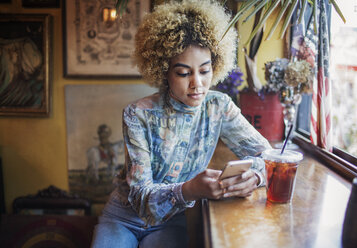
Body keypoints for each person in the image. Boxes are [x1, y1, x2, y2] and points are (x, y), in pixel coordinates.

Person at [91, 1, 271, 247]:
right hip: (123, 218)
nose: (197, 84)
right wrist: (189, 189)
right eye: (184, 73)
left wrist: (257, 177)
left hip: (172, 221)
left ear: (215, 67)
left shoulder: (219, 107)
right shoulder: (137, 114)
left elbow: (270, 156)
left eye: (205, 71)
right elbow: (141, 198)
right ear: (164, 71)